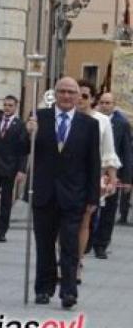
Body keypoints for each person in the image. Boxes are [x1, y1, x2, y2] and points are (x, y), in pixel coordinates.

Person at [27, 77, 101, 309]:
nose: (67, 96)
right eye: (62, 92)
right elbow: (24, 149)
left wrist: (92, 197)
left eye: (71, 92)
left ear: (79, 96)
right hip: (44, 193)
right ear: (55, 94)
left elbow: (93, 163)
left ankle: (69, 291)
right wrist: (28, 132)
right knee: (44, 244)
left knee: (69, 246)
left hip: (73, 195)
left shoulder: (89, 124)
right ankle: (43, 288)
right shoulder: (40, 117)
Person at [74, 80, 120, 273]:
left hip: (92, 176)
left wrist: (113, 178)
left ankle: (77, 261)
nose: (81, 99)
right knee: (64, 222)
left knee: (84, 220)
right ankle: (64, 256)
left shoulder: (102, 121)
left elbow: (109, 152)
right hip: (67, 175)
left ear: (92, 99)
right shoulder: (68, 118)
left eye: (85, 96)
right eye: (79, 95)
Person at [91, 91, 133, 256]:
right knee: (91, 207)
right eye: (103, 102)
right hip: (93, 171)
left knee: (109, 210)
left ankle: (101, 244)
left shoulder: (122, 124)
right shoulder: (92, 119)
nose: (105, 105)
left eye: (109, 103)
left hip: (112, 173)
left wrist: (127, 178)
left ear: (114, 105)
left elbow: (127, 152)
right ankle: (88, 240)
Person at [0, 95, 29, 242]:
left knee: (6, 200)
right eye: (5, 105)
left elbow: (23, 150)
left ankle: (3, 230)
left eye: (10, 105)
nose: (7, 108)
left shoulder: (20, 125)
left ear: (16, 107)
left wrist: (22, 170)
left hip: (10, 167)